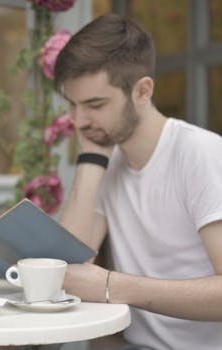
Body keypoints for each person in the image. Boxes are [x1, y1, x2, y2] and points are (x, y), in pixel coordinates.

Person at [54, 14, 222, 350]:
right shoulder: (107, 159)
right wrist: (91, 158)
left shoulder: (201, 153)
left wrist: (111, 286)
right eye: (72, 106)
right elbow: (68, 269)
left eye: (95, 105)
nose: (78, 121)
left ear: (143, 90)